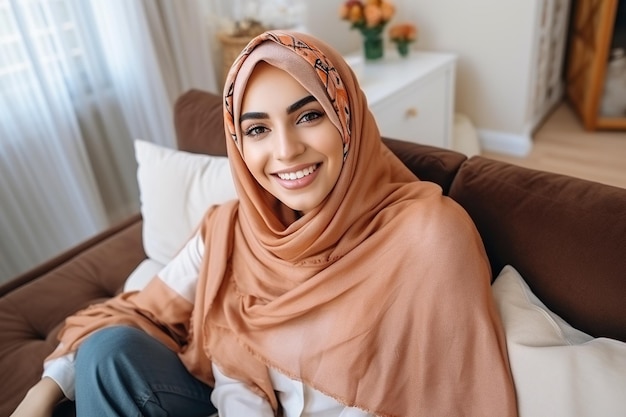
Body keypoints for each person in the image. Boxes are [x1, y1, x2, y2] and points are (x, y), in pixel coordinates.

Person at [10, 30, 517, 417]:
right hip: (224, 402)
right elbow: (139, 311)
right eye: (257, 128)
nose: (285, 150)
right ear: (239, 144)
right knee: (108, 350)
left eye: (308, 116)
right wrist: (41, 393)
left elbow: (451, 390)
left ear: (348, 119)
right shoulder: (231, 228)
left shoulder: (427, 232)